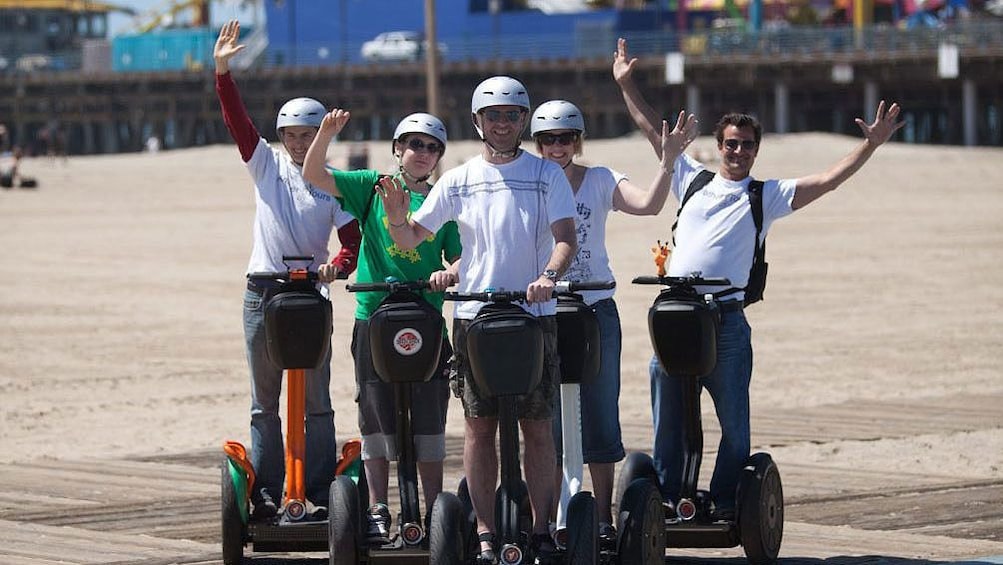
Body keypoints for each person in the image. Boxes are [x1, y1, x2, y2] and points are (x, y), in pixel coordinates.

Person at [613, 37, 905, 519]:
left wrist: (869, 147)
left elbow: (827, 180)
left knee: (736, 427)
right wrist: (626, 84)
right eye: (731, 144)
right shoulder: (692, 177)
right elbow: (651, 128)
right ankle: (668, 498)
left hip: (725, 322)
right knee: (668, 415)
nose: (738, 152)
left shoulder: (764, 196)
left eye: (747, 146)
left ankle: (727, 499)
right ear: (719, 145)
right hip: (675, 317)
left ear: (756, 150)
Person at [380, 76, 578, 565]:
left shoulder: (545, 174)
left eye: (513, 115)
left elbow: (566, 238)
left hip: (534, 314)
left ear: (523, 120)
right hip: (472, 317)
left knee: (537, 425)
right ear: (478, 121)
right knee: (478, 427)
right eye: (494, 115)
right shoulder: (459, 179)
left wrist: (549, 276)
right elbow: (410, 240)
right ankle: (486, 532)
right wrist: (397, 218)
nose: (504, 123)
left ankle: (541, 531)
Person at [528, 98, 697, 548]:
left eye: (565, 138)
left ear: (578, 141)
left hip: (594, 307)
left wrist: (668, 162)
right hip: (542, 309)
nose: (557, 147)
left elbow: (647, 205)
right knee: (546, 418)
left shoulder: (600, 180)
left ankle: (601, 518)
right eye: (547, 139)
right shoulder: (528, 180)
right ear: (537, 142)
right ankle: (545, 521)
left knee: (601, 414)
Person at [214, 20, 362, 519]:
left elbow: (351, 243)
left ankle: (321, 492)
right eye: (293, 136)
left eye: (310, 135)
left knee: (318, 402)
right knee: (265, 402)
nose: (300, 144)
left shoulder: (332, 181)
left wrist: (336, 269)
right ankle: (268, 492)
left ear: (324, 133)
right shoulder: (266, 165)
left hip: (311, 296)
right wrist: (223, 72)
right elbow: (237, 122)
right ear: (281, 136)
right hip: (264, 293)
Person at [302, 110, 461, 544]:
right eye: (414, 144)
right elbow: (314, 173)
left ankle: (434, 512)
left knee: (429, 418)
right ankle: (376, 509)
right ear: (397, 149)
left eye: (432, 147)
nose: (422, 153)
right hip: (373, 314)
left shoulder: (442, 200)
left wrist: (451, 273)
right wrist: (325, 135)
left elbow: (464, 255)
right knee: (375, 416)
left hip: (426, 322)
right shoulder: (370, 187)